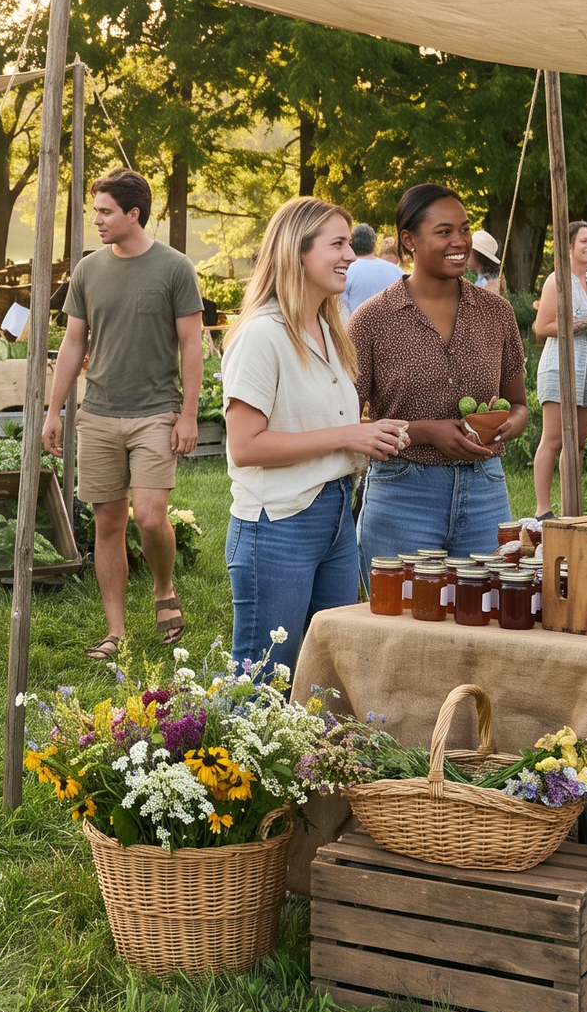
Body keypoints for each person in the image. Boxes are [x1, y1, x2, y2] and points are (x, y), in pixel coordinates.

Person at [222, 198, 406, 673]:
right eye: (337, 244)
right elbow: (245, 446)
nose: (350, 254)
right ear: (297, 251)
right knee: (265, 678)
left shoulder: (329, 329)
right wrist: (347, 436)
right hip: (278, 523)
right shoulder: (262, 335)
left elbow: (317, 425)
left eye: (349, 243)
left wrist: (368, 436)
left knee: (327, 671)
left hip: (335, 514)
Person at [41, 168, 205, 659]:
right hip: (98, 413)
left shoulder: (175, 267)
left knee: (151, 518)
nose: (97, 219)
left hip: (156, 412)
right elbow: (74, 343)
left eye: (105, 211)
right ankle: (116, 631)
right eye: (95, 211)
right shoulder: (88, 270)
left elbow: (191, 344)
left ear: (134, 214)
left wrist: (189, 415)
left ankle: (162, 586)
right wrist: (55, 410)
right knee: (108, 523)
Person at [348, 183, 529, 560]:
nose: (459, 241)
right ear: (409, 240)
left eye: (464, 229)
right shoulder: (372, 320)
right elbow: (347, 425)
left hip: (485, 492)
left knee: (488, 597)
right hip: (402, 495)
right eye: (444, 232)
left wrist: (503, 427)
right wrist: (426, 432)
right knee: (401, 600)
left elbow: (519, 406)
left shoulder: (496, 313)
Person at [529, 221, 587, 516]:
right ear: (568, 247)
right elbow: (543, 327)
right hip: (559, 365)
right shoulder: (557, 280)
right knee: (554, 440)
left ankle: (571, 509)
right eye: (584, 241)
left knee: (577, 443)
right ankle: (543, 510)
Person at [341, 222, 400, 315]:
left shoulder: (344, 272)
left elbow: (342, 311)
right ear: (374, 244)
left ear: (352, 244)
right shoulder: (397, 272)